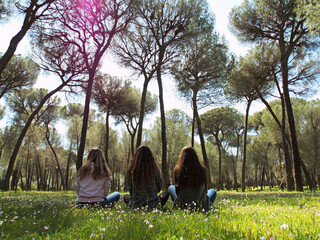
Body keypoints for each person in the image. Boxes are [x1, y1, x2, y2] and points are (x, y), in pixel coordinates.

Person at [168, 146, 217, 211]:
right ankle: (203, 206)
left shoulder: (177, 170)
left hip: (183, 205)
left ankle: (181, 206)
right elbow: (205, 191)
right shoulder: (202, 170)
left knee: (171, 187)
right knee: (212, 191)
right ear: (195, 157)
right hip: (200, 204)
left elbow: (177, 192)